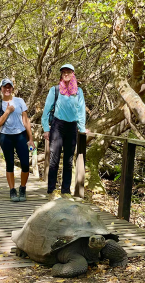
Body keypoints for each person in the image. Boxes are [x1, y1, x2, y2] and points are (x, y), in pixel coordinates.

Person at [41, 63, 86, 201]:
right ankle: (52, 189)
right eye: (63, 72)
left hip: (72, 127)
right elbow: (46, 111)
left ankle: (66, 190)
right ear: (61, 74)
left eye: (69, 72)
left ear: (73, 74)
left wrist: (82, 128)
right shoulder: (54, 90)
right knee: (54, 158)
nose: (66, 74)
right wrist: (46, 128)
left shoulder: (78, 91)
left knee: (68, 161)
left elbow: (81, 111)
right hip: (58, 126)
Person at [0, 78, 35, 202]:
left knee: (25, 164)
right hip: (6, 136)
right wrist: (7, 111)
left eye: (9, 87)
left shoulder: (19, 101)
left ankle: (22, 188)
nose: (7, 89)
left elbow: (26, 120)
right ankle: (12, 190)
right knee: (9, 164)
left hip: (20, 135)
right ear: (1, 89)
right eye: (5, 87)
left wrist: (30, 138)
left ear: (12, 89)